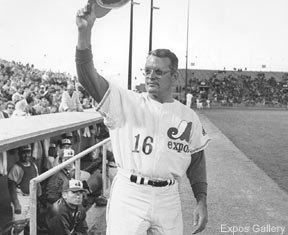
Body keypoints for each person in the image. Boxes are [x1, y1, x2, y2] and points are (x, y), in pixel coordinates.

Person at [75, 2, 210, 235]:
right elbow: (88, 77)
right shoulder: (126, 101)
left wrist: (201, 200)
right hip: (130, 193)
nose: (151, 76)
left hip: (168, 195)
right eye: (147, 71)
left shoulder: (188, 117)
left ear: (175, 76)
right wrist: (84, 33)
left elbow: (196, 159)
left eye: (159, 71)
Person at [7, 145, 41, 221]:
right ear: (19, 154)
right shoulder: (16, 167)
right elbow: (11, 187)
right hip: (21, 199)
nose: (26, 155)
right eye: (23, 153)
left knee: (30, 224)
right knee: (19, 225)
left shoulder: (34, 165)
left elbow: (37, 181)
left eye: (28, 152)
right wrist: (16, 204)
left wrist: (38, 197)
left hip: (31, 198)